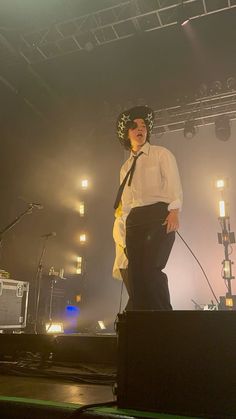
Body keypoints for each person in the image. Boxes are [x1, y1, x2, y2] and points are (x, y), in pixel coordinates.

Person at [113, 105, 183, 310]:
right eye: (134, 126)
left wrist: (174, 211)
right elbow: (125, 205)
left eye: (143, 125)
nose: (140, 128)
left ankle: (163, 321)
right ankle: (142, 322)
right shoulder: (125, 167)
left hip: (158, 215)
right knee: (136, 273)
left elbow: (173, 184)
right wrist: (124, 232)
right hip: (134, 220)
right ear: (128, 134)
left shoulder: (162, 154)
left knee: (152, 269)